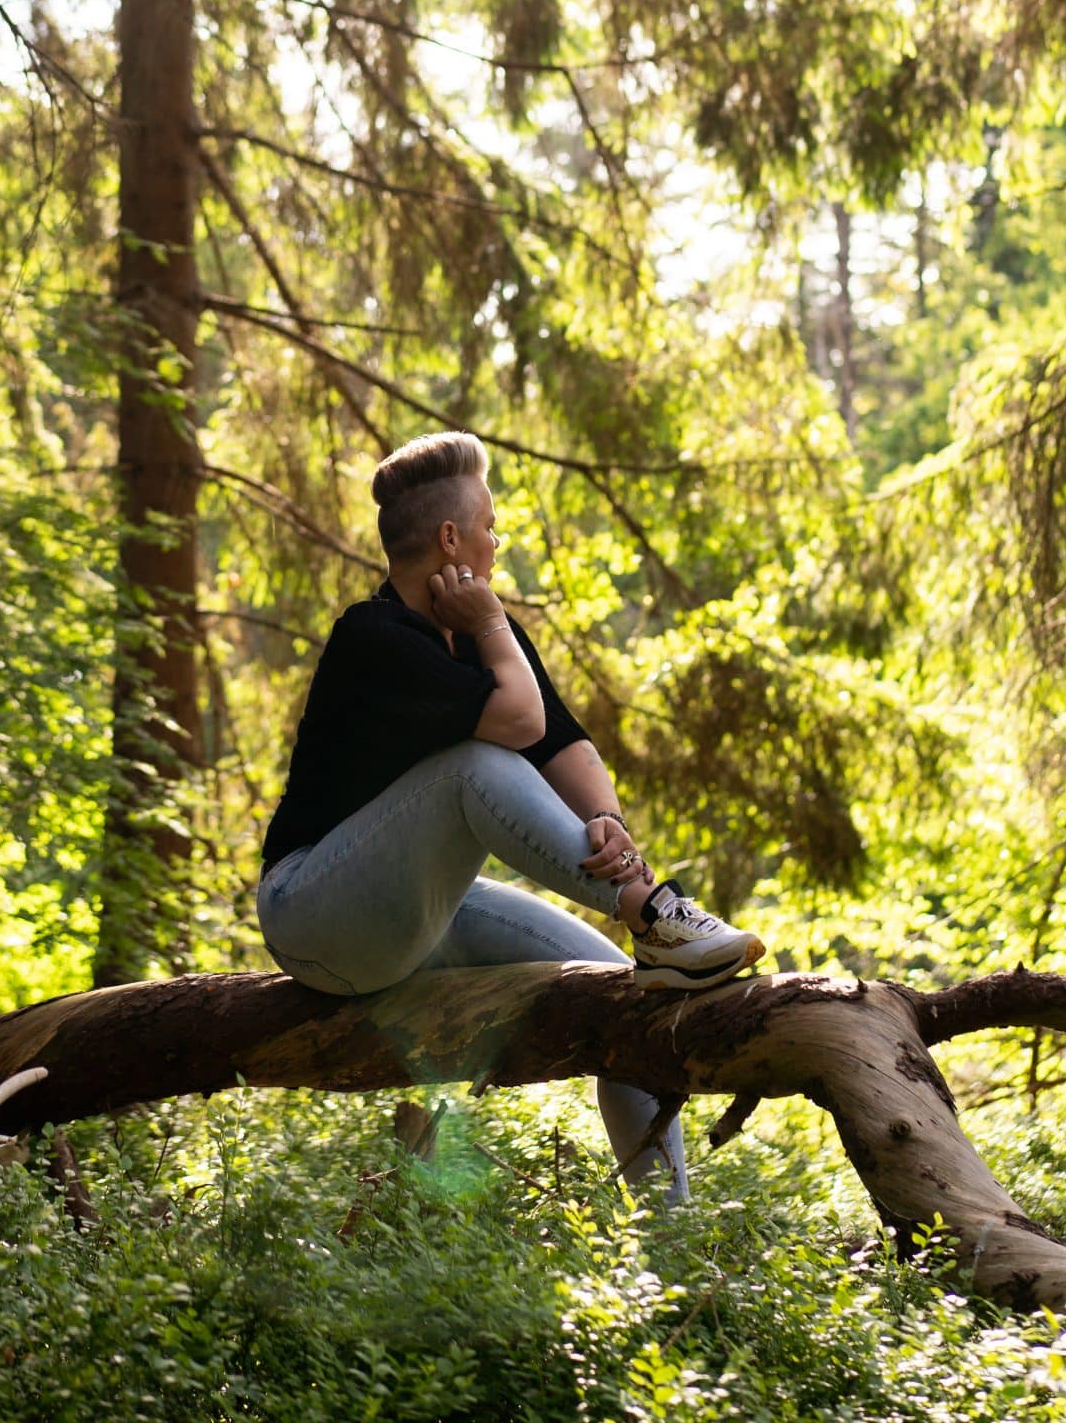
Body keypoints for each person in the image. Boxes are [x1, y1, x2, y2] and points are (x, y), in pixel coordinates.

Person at [257, 430, 765, 1205]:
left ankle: (675, 1252)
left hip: (424, 917)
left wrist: (605, 817)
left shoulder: (489, 636)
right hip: (314, 918)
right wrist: (493, 628)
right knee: (474, 766)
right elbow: (518, 729)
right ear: (451, 538)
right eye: (489, 526)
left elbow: (562, 739)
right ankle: (655, 915)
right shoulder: (374, 636)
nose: (497, 542)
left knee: (625, 997)